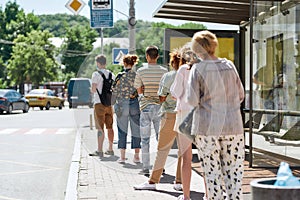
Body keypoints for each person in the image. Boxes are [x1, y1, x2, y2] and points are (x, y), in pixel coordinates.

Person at [187, 31, 245, 200]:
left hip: (207, 128)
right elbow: (240, 95)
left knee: (212, 175)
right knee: (234, 174)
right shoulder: (229, 66)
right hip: (233, 125)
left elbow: (191, 100)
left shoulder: (198, 69)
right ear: (214, 46)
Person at [133, 49, 183, 191]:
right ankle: (179, 182)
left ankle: (151, 179)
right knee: (182, 150)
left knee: (159, 147)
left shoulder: (166, 75)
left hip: (165, 112)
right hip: (186, 115)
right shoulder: (188, 75)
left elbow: (158, 96)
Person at [170, 45, 199, 200]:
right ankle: (208, 195)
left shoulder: (183, 70)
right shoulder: (206, 70)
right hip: (203, 116)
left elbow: (175, 93)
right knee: (206, 158)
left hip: (185, 116)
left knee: (186, 158)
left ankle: (186, 196)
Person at [134, 45, 168, 175]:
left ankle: (146, 167)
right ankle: (160, 167)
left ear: (147, 56)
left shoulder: (141, 71)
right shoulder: (164, 71)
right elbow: (166, 89)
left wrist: (142, 98)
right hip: (160, 107)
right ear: (157, 56)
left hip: (146, 107)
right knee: (161, 139)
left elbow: (139, 88)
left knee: (145, 139)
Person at [114, 54, 141, 163]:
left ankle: (122, 157)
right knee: (136, 130)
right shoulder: (137, 75)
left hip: (121, 104)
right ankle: (137, 156)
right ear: (133, 63)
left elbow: (114, 90)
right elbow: (140, 91)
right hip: (134, 104)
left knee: (122, 130)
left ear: (124, 63)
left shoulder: (120, 76)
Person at [89, 54, 115, 158]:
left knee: (100, 128)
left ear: (98, 63)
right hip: (109, 104)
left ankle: (99, 150)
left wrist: (91, 90)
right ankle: (110, 149)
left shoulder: (96, 74)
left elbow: (93, 89)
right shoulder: (111, 74)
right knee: (110, 127)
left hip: (99, 103)